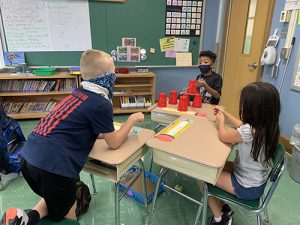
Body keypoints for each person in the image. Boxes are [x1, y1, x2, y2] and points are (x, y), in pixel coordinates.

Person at [0, 49, 144, 225]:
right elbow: (113, 143)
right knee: (69, 212)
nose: (115, 75)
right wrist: (131, 120)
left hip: (28, 158)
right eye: (113, 72)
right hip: (53, 167)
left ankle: (26, 219)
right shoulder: (101, 103)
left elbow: (78, 127)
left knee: (53, 196)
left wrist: (97, 135)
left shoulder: (77, 94)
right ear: (106, 77)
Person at [200, 82, 280, 225]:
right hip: (255, 182)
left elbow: (223, 136)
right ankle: (224, 208)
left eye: (244, 104)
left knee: (201, 173)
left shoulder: (249, 132)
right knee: (217, 166)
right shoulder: (267, 127)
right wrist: (224, 113)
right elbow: (241, 125)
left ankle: (220, 218)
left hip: (245, 187)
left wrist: (220, 122)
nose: (242, 107)